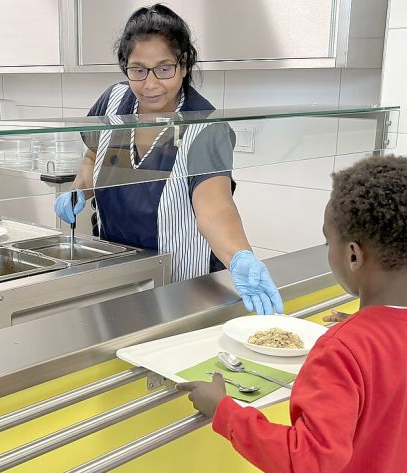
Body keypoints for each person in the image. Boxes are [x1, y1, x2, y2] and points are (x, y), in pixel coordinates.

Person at [178, 155, 407, 473]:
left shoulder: (342, 349)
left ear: (353, 255)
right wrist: (369, 323)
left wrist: (225, 412)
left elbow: (308, 464)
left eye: (328, 241)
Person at [54, 4, 282, 315]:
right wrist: (81, 189)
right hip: (116, 278)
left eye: (164, 69)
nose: (150, 84)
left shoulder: (204, 127)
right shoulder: (112, 102)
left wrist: (240, 256)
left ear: (184, 64)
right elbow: (93, 155)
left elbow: (215, 208)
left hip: (182, 287)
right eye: (138, 69)